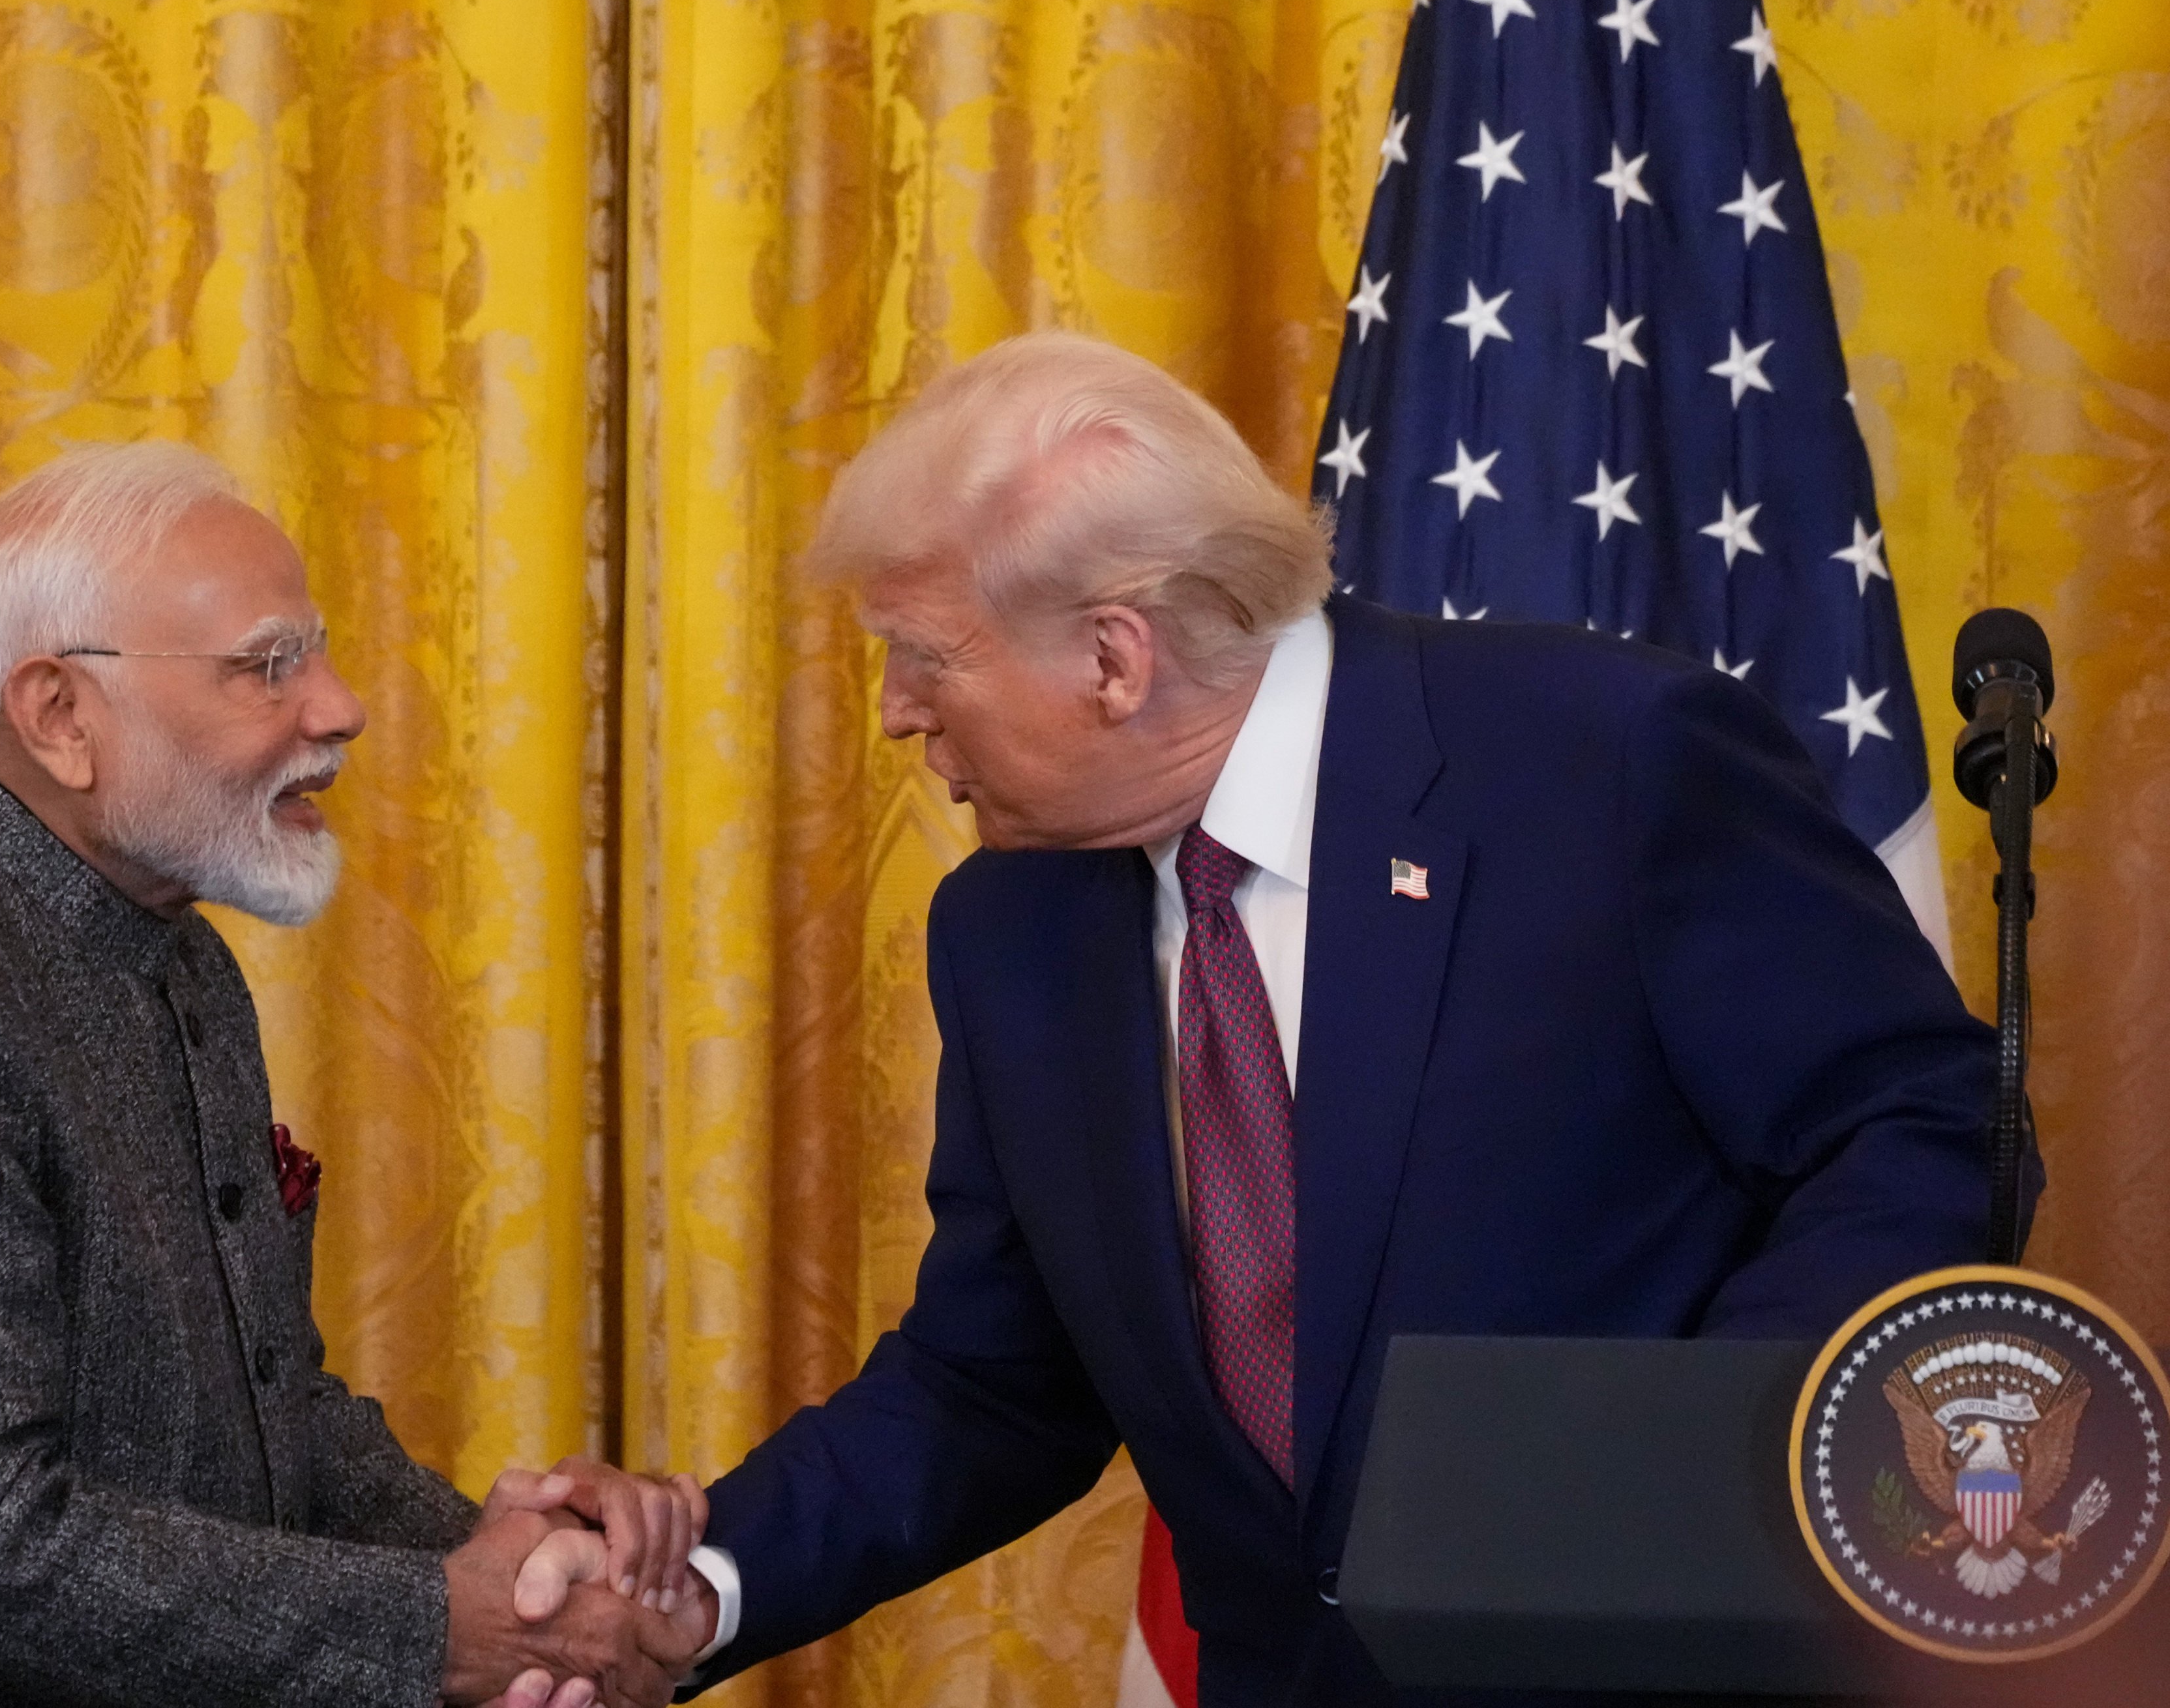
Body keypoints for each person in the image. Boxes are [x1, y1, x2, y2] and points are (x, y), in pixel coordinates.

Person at [672, 334, 2023, 1705]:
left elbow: (1913, 1125)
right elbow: (991, 1383)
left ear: (1111, 659)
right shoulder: (1009, 931)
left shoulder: (1607, 763)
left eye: (922, 658)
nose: (898, 716)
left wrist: (1689, 1466)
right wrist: (690, 1589)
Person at [0, 445, 717, 1708]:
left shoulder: (178, 962)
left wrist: (520, 1571)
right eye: (269, 666)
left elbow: (256, 1402)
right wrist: (443, 1625)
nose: (339, 707)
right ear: (59, 717)